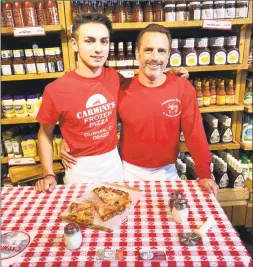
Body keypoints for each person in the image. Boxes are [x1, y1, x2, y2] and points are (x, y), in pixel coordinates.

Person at [60, 23, 219, 197]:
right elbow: (93, 119)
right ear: (137, 54)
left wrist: (204, 174)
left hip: (168, 173)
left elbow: (194, 132)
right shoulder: (121, 88)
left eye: (161, 51)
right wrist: (68, 139)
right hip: (126, 173)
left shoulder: (182, 88)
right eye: (148, 50)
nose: (155, 57)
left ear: (168, 56)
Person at [35, 13, 187, 193]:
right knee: (82, 217)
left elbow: (141, 84)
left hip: (114, 164)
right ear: (74, 44)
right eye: (89, 41)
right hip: (79, 168)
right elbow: (45, 134)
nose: (98, 49)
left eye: (104, 41)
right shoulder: (56, 89)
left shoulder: (115, 78)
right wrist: (48, 173)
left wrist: (166, 73)